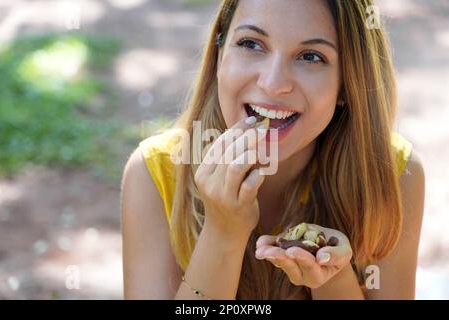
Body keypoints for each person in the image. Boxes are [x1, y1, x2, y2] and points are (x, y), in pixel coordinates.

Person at [121, 0, 425, 300]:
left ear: (348, 84)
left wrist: (330, 278)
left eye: (310, 56)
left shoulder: (393, 175)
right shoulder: (155, 174)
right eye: (251, 44)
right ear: (219, 56)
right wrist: (223, 232)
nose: (272, 83)